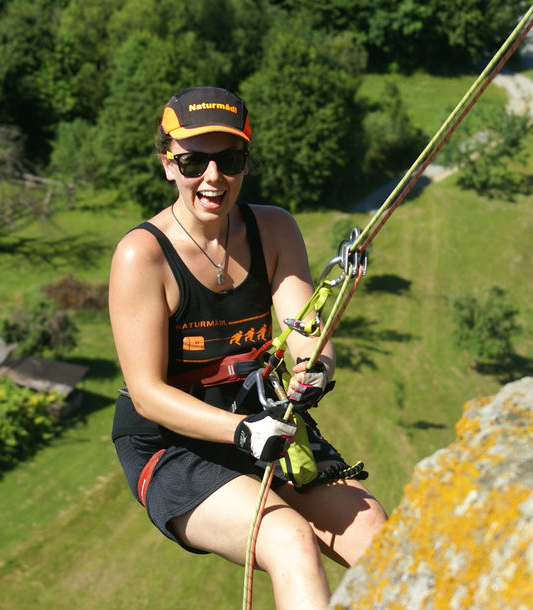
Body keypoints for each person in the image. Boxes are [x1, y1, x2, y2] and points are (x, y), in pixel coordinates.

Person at [110, 86, 386, 610]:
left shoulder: (274, 230)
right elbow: (146, 393)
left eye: (229, 160)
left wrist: (314, 371)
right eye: (193, 161)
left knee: (379, 535)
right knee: (289, 539)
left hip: (268, 422)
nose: (212, 178)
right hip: (173, 444)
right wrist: (242, 432)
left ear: (244, 164)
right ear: (168, 163)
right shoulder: (141, 257)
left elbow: (306, 334)